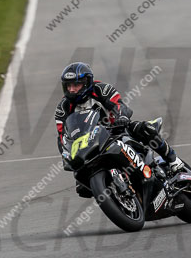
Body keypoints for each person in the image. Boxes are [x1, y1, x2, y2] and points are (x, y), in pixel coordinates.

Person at [55, 62, 183, 197]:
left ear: (87, 82)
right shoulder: (62, 108)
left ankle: (173, 160)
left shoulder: (101, 89)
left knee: (144, 129)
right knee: (82, 188)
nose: (72, 90)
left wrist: (121, 117)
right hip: (89, 145)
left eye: (76, 85)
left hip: (116, 130)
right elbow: (62, 137)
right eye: (68, 86)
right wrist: (66, 155)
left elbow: (119, 105)